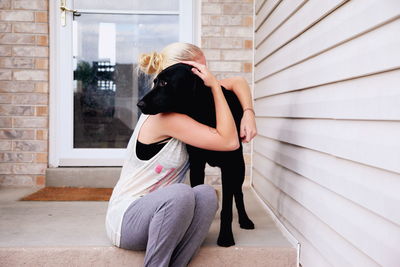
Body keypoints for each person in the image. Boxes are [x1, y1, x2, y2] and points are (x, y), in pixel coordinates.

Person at [105, 42, 257, 267]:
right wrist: (215, 87)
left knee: (205, 195)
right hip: (129, 218)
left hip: (166, 214)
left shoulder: (189, 101)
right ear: (186, 72)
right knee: (182, 194)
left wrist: (248, 113)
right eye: (202, 69)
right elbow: (229, 141)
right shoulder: (166, 117)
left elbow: (238, 82)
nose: (207, 75)